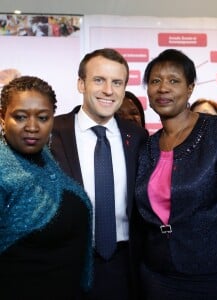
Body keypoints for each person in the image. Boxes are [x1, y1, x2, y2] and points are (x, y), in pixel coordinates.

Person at [134, 49, 217, 300]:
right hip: (156, 277)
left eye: (174, 81)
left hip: (214, 278)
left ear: (190, 88)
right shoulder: (146, 147)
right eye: (155, 81)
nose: (163, 88)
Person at [51, 48, 148, 300]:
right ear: (81, 84)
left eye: (117, 82)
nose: (108, 90)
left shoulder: (137, 137)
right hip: (66, 264)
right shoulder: (51, 133)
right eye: (99, 80)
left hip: (124, 265)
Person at [0, 76, 93, 299]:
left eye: (43, 117)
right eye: (20, 117)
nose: (32, 127)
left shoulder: (46, 158)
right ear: (2, 118)